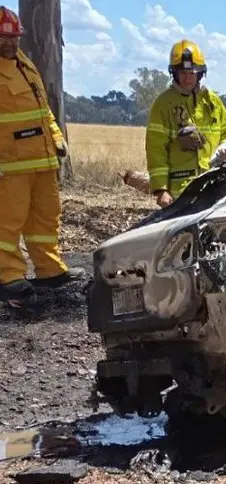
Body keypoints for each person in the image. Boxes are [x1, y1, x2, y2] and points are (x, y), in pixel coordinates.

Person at [0, 6, 85, 305]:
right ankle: (8, 276)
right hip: (10, 166)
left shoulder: (25, 64)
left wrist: (58, 138)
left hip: (42, 160)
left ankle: (49, 269)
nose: (10, 43)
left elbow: (43, 110)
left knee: (46, 219)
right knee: (7, 222)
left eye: (14, 37)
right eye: (3, 38)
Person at [146, 39, 226, 208]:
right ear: (174, 73)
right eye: (183, 73)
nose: (188, 78)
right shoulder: (163, 104)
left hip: (214, 184)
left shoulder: (212, 101)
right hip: (181, 190)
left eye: (192, 73)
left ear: (200, 73)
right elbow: (156, 149)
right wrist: (161, 190)